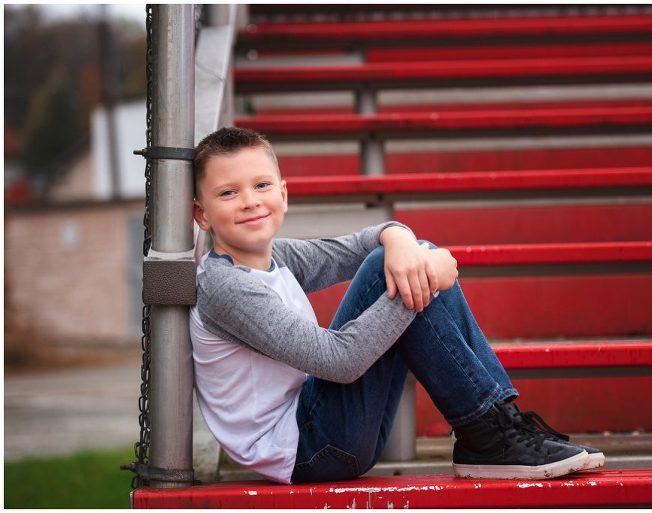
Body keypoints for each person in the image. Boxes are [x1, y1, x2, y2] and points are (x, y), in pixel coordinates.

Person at [189, 127, 604, 484]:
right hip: (308, 449)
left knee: (401, 256)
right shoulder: (226, 287)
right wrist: (428, 272)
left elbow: (363, 243)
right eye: (228, 192)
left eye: (261, 185)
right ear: (201, 215)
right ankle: (488, 434)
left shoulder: (276, 257)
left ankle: (494, 424)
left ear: (283, 193)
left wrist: (402, 239)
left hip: (325, 433)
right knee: (400, 267)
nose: (249, 200)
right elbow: (340, 361)